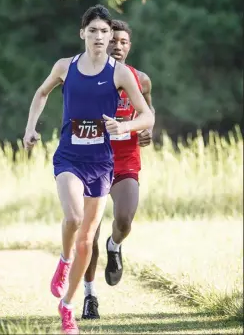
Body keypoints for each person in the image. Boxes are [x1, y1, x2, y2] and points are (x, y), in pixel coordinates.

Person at [23, 5, 154, 334]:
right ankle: (64, 263)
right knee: (75, 218)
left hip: (102, 163)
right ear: (83, 33)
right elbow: (41, 93)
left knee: (87, 241)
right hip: (68, 158)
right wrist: (30, 129)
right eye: (93, 30)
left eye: (104, 32)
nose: (99, 36)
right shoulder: (65, 67)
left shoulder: (120, 74)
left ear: (111, 37)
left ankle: (67, 307)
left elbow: (147, 115)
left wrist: (122, 129)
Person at [81, 19, 155, 320]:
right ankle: (89, 297)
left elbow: (147, 111)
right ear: (102, 41)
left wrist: (148, 131)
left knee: (124, 220)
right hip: (91, 163)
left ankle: (115, 246)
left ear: (129, 46)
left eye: (124, 42)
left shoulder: (141, 79)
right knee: (89, 234)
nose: (118, 46)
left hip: (126, 161)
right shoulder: (84, 75)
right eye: (113, 41)